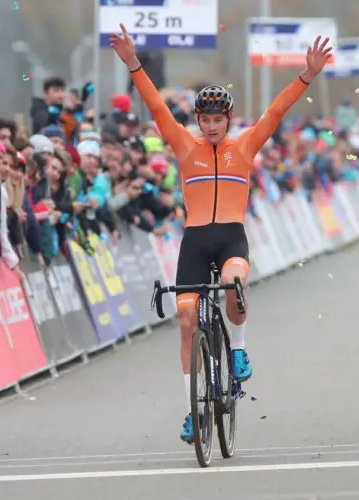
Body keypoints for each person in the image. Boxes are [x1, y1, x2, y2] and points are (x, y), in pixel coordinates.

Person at [110, 23, 333, 443]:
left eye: (218, 120)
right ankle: (192, 410)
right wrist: (134, 64)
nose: (212, 127)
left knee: (233, 283)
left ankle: (239, 346)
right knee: (185, 318)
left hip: (231, 237)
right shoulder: (184, 146)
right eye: (206, 120)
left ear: (228, 119)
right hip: (195, 241)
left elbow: (276, 113)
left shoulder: (245, 146)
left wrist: (308, 75)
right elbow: (157, 106)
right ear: (198, 120)